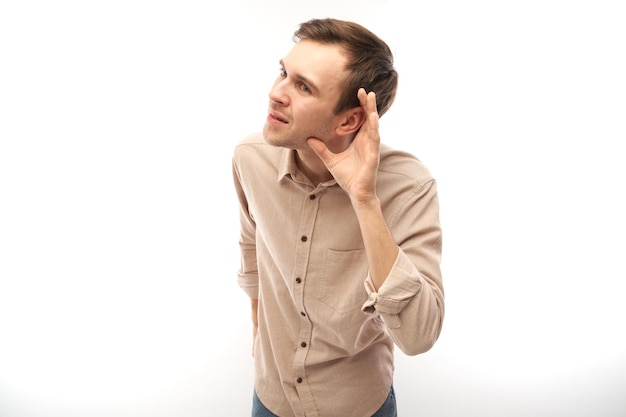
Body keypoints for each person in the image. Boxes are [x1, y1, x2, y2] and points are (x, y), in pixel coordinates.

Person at [232, 17, 444, 417]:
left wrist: (364, 200)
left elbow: (419, 335)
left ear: (349, 120)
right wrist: (260, 339)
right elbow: (250, 251)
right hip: (270, 399)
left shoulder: (409, 187)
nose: (276, 93)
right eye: (283, 73)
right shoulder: (250, 157)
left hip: (356, 405)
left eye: (303, 86)